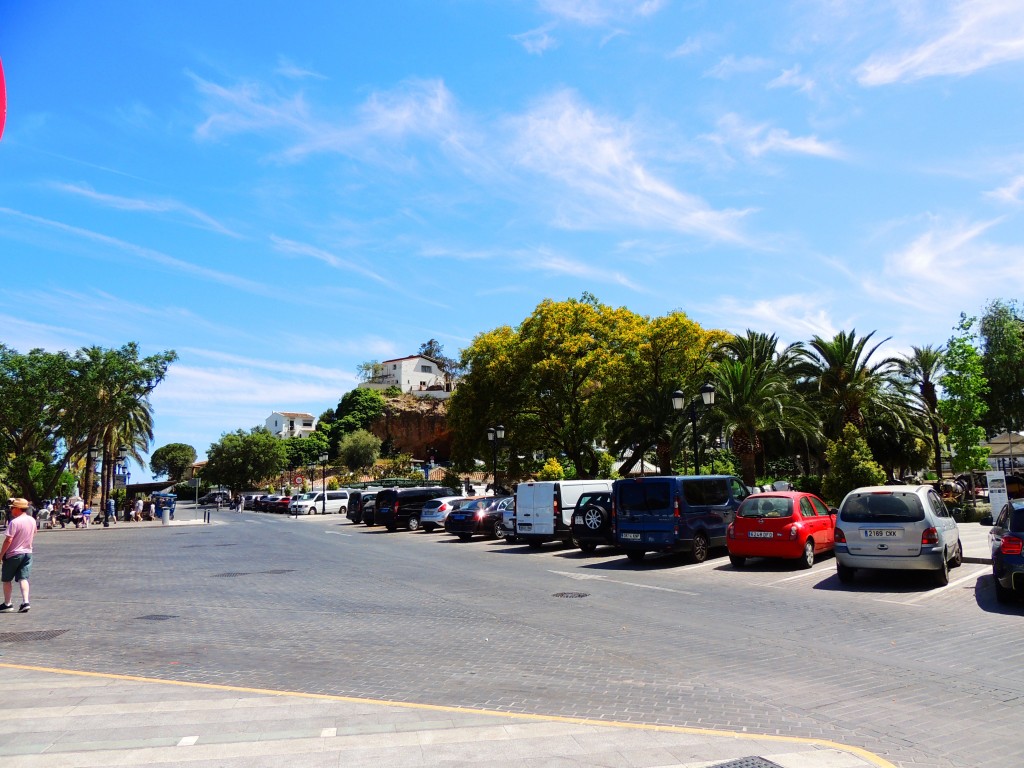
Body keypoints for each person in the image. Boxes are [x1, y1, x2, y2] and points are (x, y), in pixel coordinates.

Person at [1, 498, 35, 613]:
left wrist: (1, 555)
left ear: (18, 509)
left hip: (14, 554)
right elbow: (34, 533)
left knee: (6, 579)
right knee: (23, 578)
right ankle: (26, 602)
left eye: (12, 508)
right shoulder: (32, 520)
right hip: (28, 553)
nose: (11, 510)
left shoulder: (14, 522)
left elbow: (8, 540)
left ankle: (7, 603)